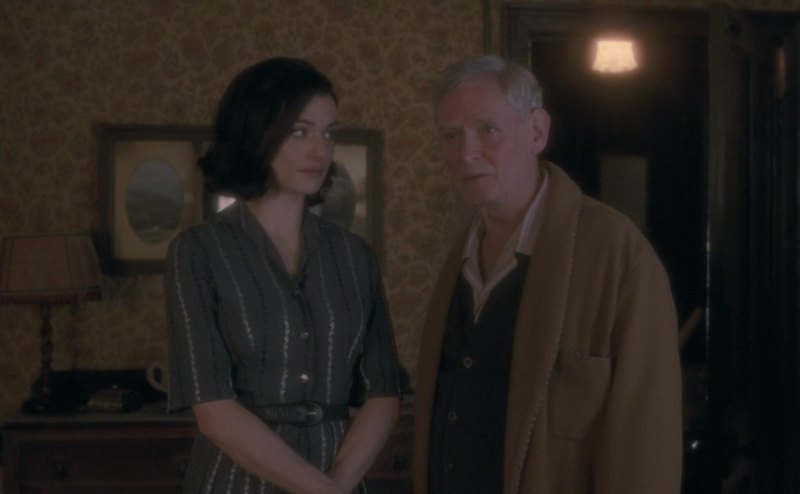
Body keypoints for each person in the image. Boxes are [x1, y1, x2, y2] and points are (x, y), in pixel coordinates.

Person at [411, 55, 682, 493]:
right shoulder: (459, 254)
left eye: (487, 130)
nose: (466, 153)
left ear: (537, 131)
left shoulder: (617, 252)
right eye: (451, 135)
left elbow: (645, 442)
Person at [164, 57, 401, 494]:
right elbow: (213, 409)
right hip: (234, 483)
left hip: (341, 477)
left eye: (329, 133)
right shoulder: (199, 252)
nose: (320, 151)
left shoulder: (355, 257)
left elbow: (383, 393)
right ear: (256, 134)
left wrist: (337, 485)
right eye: (300, 131)